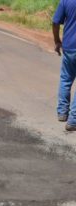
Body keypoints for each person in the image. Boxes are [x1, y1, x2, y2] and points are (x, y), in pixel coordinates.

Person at [53, 0, 76, 131]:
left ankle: (62, 113)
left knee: (65, 79)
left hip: (69, 47)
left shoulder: (66, 1)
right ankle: (73, 120)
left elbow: (55, 22)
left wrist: (57, 41)